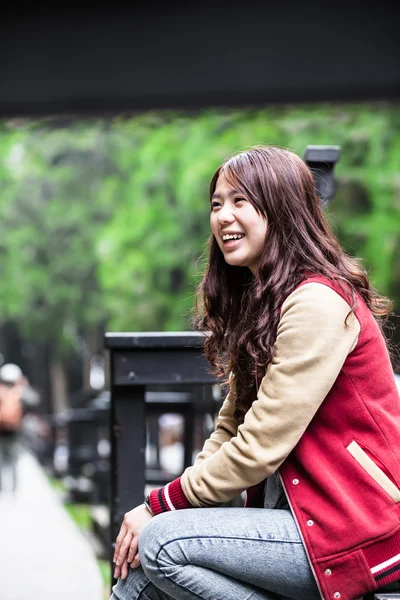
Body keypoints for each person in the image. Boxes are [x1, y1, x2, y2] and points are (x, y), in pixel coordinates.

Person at [110, 146, 400, 600]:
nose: (223, 215)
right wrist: (166, 504)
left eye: (240, 200)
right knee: (136, 579)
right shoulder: (266, 307)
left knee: (161, 543)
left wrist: (160, 507)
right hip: (303, 522)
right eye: (216, 204)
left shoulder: (316, 302)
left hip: (354, 529)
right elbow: (231, 428)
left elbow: (260, 444)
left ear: (281, 207)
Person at [0, 363, 24, 493]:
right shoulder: (19, 392)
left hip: (3, 431)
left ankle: (3, 488)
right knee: (14, 462)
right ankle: (14, 489)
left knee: (2, 461)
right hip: (14, 432)